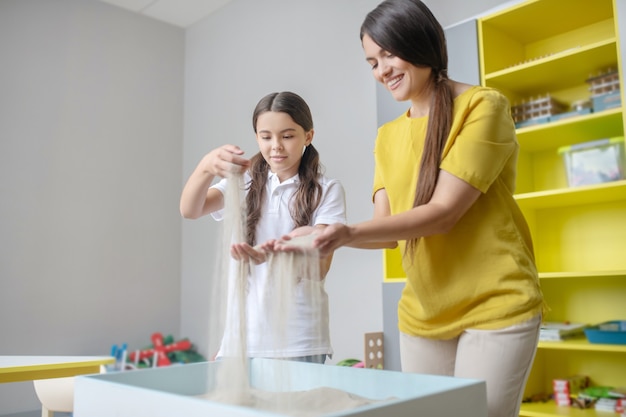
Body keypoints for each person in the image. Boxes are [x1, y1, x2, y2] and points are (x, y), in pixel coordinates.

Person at [273, 1, 544, 416]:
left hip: (496, 304)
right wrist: (320, 236)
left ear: (419, 43)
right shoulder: (388, 136)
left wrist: (345, 233)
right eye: (371, 62)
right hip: (422, 313)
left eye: (387, 54)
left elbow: (444, 212)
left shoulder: (483, 106)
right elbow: (388, 232)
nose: (381, 71)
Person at [180, 91, 346, 364]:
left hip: (300, 342)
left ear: (308, 136)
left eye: (288, 136)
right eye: (266, 136)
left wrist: (285, 250)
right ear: (257, 136)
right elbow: (190, 209)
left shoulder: (326, 190)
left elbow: (320, 268)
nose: (276, 146)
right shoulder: (242, 183)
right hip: (240, 341)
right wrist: (206, 167)